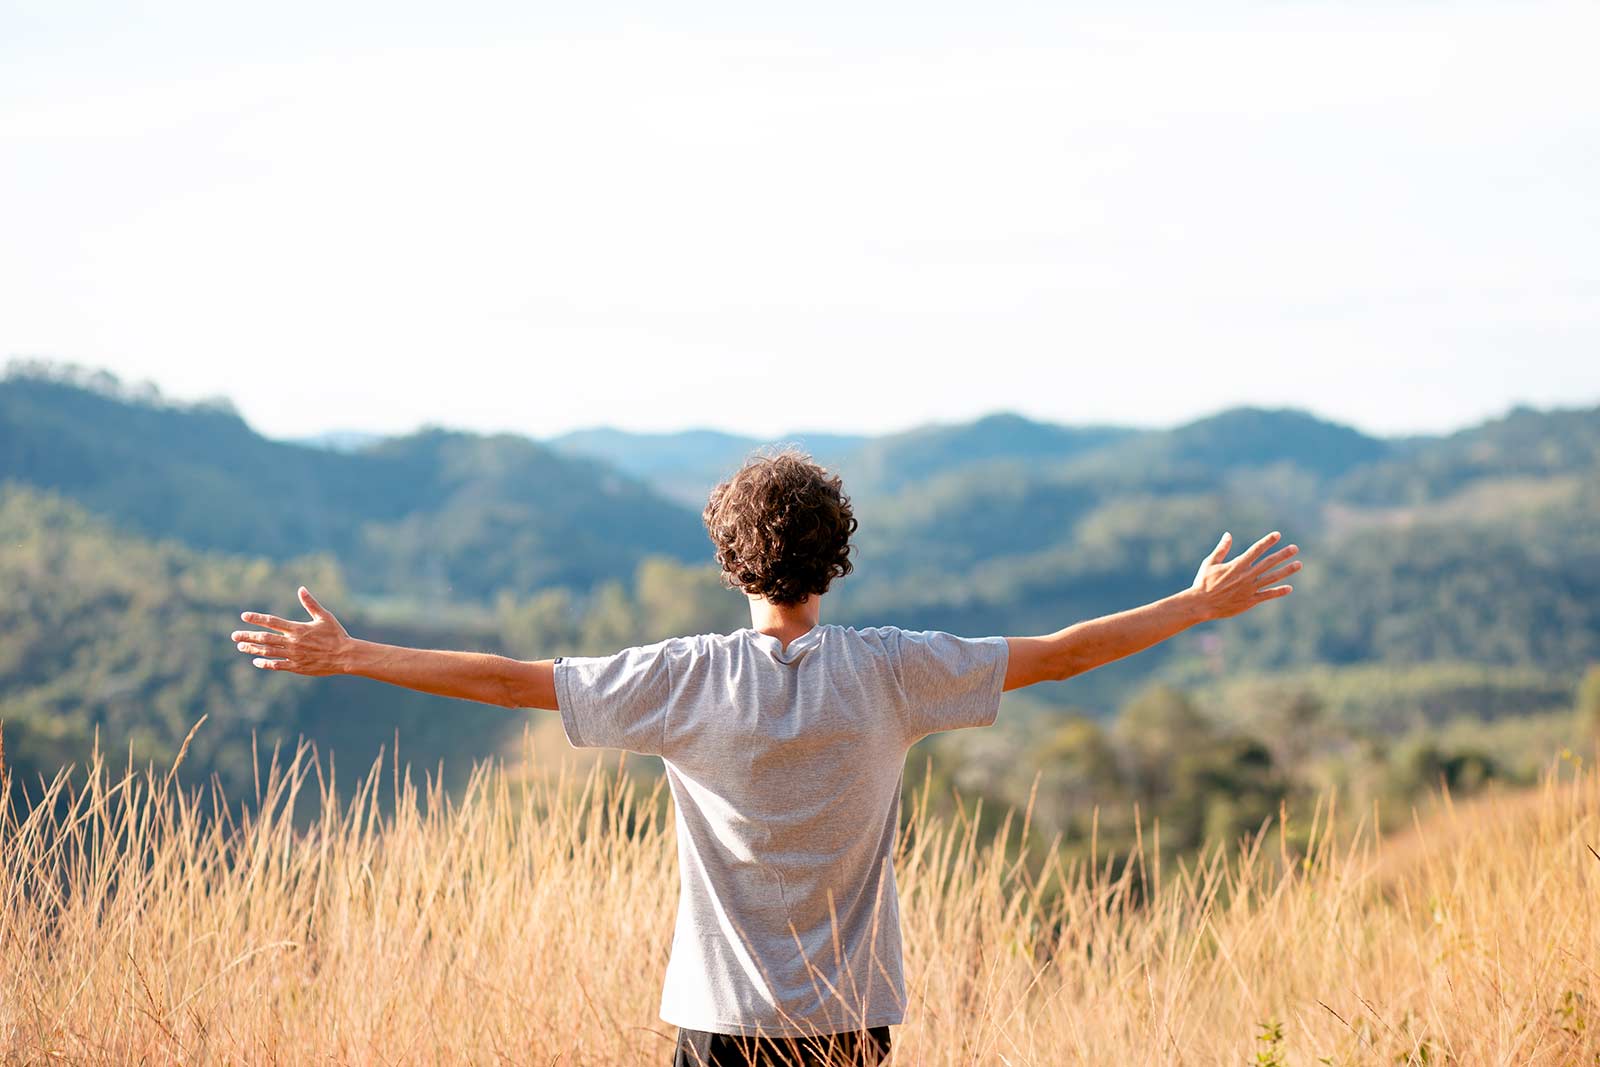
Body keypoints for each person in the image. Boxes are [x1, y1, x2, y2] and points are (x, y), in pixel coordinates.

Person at [230, 449, 1300, 1066]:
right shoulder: (894, 670)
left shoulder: (682, 678)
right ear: (835, 554)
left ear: (730, 559)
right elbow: (1065, 657)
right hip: (848, 1020)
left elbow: (513, 679)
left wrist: (354, 652)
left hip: (718, 1023)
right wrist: (1196, 603)